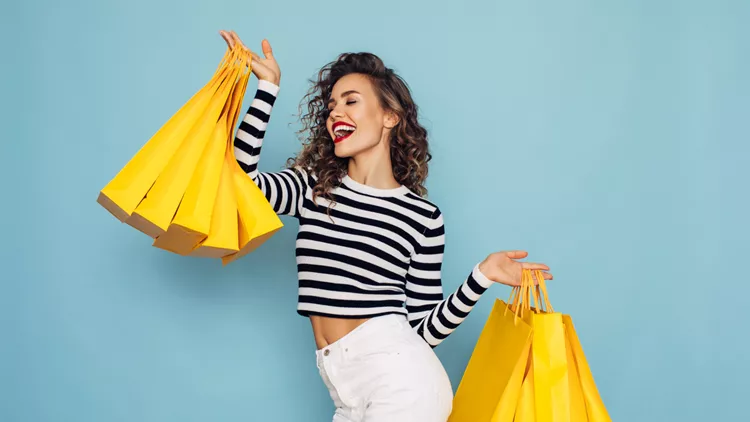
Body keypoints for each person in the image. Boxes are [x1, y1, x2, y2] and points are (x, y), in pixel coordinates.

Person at [219, 30, 553, 422]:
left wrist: (482, 276)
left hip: (402, 383)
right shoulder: (313, 187)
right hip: (343, 390)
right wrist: (267, 88)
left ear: (389, 117)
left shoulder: (422, 218)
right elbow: (239, 185)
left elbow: (424, 331)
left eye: (351, 101)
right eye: (330, 107)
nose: (335, 114)